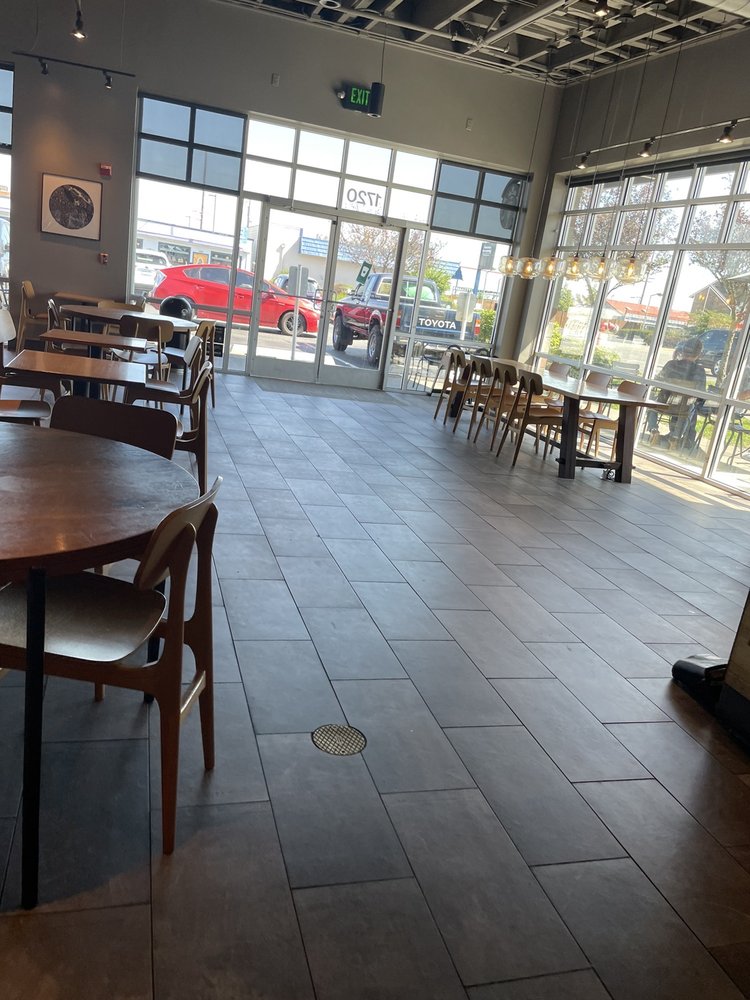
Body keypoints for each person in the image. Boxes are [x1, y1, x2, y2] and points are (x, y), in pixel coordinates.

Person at [645, 337, 707, 450]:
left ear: (683, 350)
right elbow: (701, 394)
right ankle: (675, 437)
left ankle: (654, 430)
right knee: (690, 409)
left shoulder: (671, 364)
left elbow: (658, 381)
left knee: (650, 402)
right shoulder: (700, 371)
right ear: (698, 354)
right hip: (683, 408)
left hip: (663, 404)